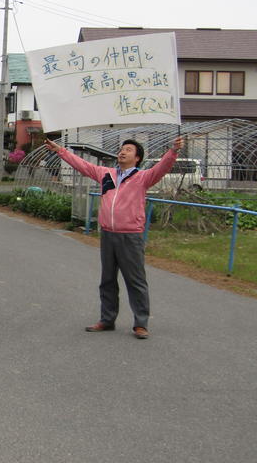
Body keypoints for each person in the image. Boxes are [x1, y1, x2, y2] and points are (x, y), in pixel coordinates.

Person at [45, 135, 185, 339]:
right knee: (107, 279)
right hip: (108, 234)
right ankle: (107, 319)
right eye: (121, 148)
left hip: (130, 236)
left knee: (135, 280)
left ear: (137, 158)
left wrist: (173, 151)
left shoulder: (143, 177)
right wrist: (60, 151)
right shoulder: (106, 174)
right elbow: (82, 165)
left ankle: (141, 323)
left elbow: (161, 169)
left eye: (128, 149)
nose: (122, 151)